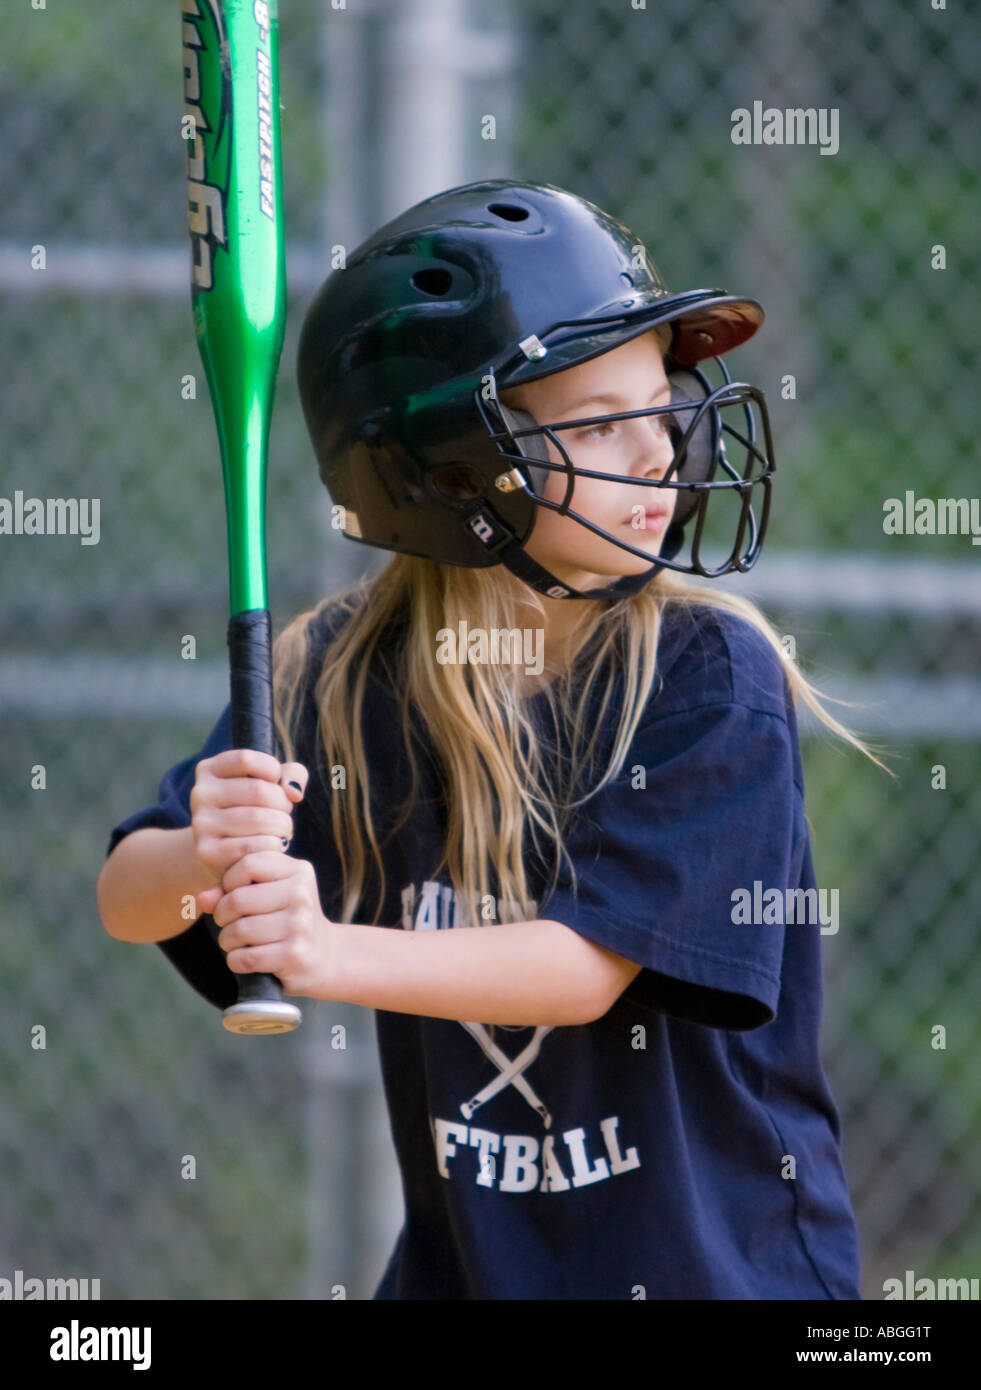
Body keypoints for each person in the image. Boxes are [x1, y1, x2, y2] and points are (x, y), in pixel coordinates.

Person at [97, 179, 888, 1300]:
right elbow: (130, 894)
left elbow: (581, 969)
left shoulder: (708, 675)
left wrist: (324, 949)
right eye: (599, 421)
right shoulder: (343, 677)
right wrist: (204, 853)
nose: (659, 447)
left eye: (655, 403)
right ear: (454, 476)